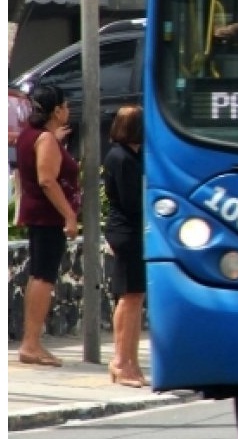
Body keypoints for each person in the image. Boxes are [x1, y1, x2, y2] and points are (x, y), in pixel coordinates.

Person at [14, 84, 79, 367]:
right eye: (65, 106)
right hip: (48, 216)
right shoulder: (44, 140)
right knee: (44, 277)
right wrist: (69, 215)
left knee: (38, 275)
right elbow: (47, 180)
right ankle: (31, 343)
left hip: (39, 214)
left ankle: (31, 342)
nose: (68, 110)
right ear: (56, 110)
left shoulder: (32, 136)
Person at [102, 105, 147, 388]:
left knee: (136, 296)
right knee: (128, 297)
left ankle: (131, 360)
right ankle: (120, 360)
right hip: (126, 230)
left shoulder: (134, 156)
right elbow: (131, 200)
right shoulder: (121, 159)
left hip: (133, 230)